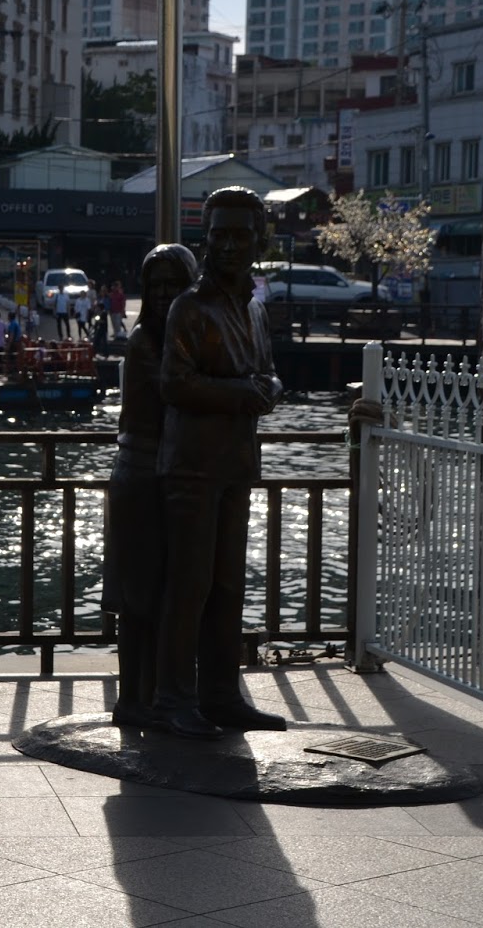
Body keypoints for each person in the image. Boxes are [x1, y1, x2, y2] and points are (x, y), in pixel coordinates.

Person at [151, 186, 288, 740]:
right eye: (219, 234)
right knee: (190, 585)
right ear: (205, 239)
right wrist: (242, 393)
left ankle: (222, 695)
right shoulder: (190, 307)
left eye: (240, 235)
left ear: (259, 241)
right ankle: (172, 698)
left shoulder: (253, 307)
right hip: (191, 464)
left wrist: (269, 389)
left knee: (229, 585)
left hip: (236, 461)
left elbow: (269, 370)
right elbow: (173, 383)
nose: (229, 245)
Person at [105, 244, 197, 727]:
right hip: (140, 476)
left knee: (163, 593)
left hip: (166, 475)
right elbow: (179, 390)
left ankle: (153, 695)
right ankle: (132, 700)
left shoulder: (176, 338)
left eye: (173, 284)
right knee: (138, 597)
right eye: (155, 285)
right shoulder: (146, 341)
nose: (163, 293)